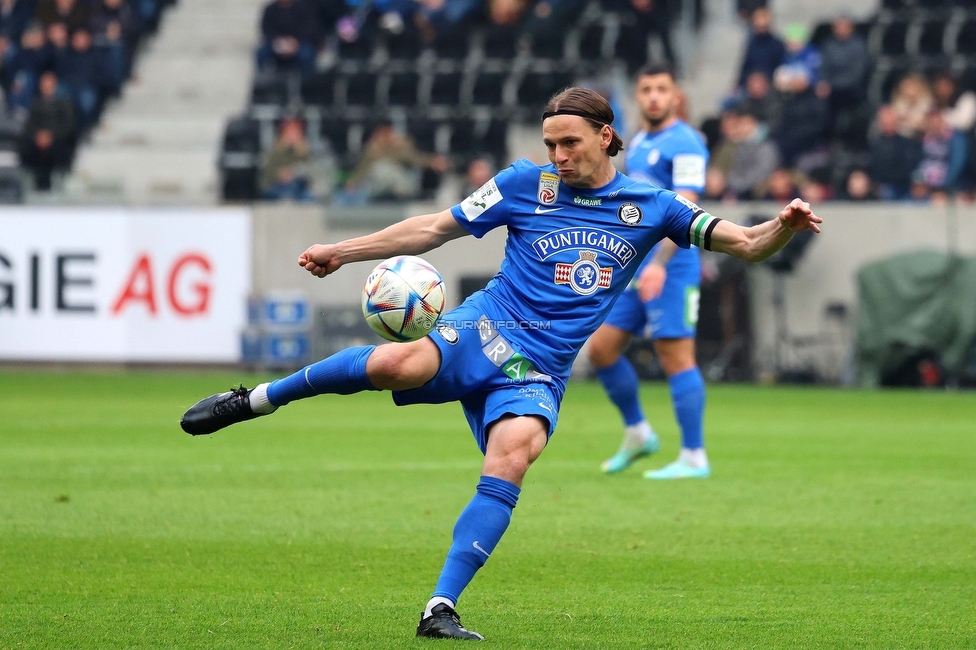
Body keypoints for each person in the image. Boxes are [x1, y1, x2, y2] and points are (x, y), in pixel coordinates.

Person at [179, 87, 822, 641]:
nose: (559, 157)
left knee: (514, 454)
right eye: (550, 145)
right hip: (483, 326)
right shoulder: (523, 183)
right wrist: (343, 252)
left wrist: (785, 224)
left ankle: (440, 608)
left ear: (605, 137)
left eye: (570, 144)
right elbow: (436, 227)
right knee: (398, 366)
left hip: (540, 369)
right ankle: (260, 398)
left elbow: (744, 242)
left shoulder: (653, 208)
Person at [585, 62, 713, 479]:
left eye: (662, 88)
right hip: (634, 268)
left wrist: (659, 263)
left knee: (675, 356)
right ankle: (638, 431)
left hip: (672, 265)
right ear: (637, 97)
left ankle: (694, 455)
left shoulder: (687, 143)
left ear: (676, 95)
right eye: (646, 89)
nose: (654, 96)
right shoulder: (637, 142)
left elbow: (687, 209)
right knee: (601, 349)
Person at [19, 69, 75, 190]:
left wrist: (50, 136)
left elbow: (68, 126)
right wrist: (38, 136)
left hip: (58, 141)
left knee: (56, 152)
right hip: (37, 142)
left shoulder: (64, 104)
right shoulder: (35, 103)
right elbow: (29, 125)